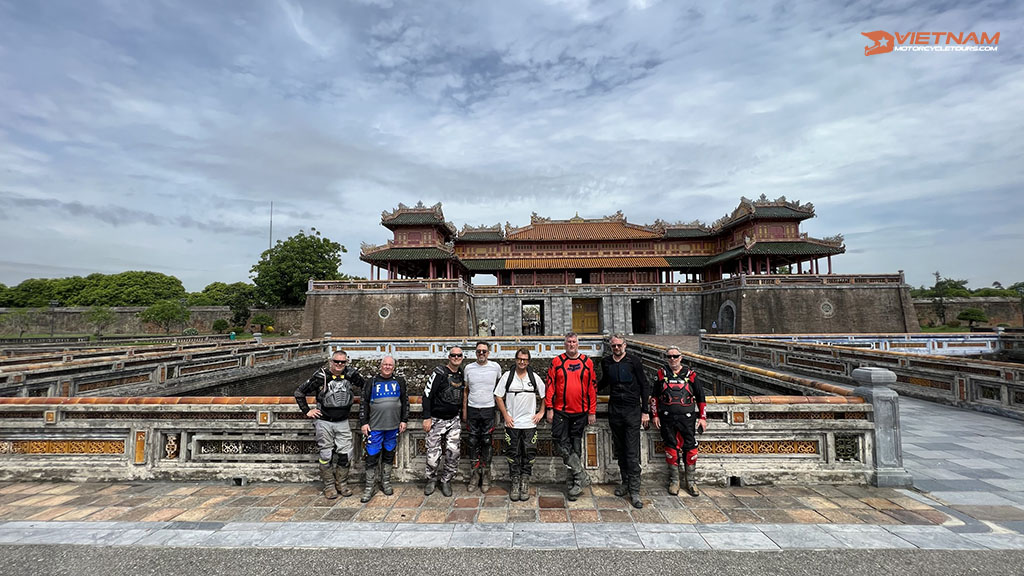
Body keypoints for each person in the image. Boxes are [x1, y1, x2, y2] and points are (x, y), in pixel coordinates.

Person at [294, 349, 364, 499]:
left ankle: (342, 484)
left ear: (347, 362)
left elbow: (367, 387)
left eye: (342, 362)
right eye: (336, 361)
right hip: (324, 421)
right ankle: (329, 486)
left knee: (346, 455)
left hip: (343, 422)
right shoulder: (321, 376)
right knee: (326, 455)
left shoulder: (351, 375)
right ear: (331, 361)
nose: (339, 364)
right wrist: (307, 411)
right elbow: (299, 392)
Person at [600, 334, 651, 509]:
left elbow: (644, 385)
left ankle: (635, 490)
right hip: (615, 409)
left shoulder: (634, 361)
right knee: (620, 449)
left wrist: (645, 411)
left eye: (619, 345)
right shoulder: (606, 362)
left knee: (631, 451)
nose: (616, 348)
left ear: (625, 345)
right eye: (613, 346)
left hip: (632, 410)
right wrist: (588, 390)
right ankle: (625, 482)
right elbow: (604, 382)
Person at [545, 332, 597, 501]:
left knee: (576, 447)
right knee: (560, 443)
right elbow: (550, 386)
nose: (571, 344)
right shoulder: (557, 362)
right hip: (561, 411)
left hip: (580, 412)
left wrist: (592, 411)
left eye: (574, 342)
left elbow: (592, 388)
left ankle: (573, 482)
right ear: (564, 344)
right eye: (568, 342)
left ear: (578, 344)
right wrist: (549, 408)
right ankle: (581, 475)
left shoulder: (586, 362)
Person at [651, 346, 707, 497]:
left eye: (675, 356)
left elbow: (701, 398)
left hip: (687, 419)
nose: (672, 359)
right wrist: (655, 415)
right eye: (669, 356)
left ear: (681, 357)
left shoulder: (691, 375)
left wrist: (703, 418)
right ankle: (674, 481)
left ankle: (691, 482)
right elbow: (654, 397)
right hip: (667, 418)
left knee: (690, 449)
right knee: (670, 448)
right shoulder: (661, 374)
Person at [494, 347, 545, 501]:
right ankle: (515, 480)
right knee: (512, 453)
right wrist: (505, 415)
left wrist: (541, 412)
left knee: (529, 453)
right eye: (519, 359)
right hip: (512, 423)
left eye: (525, 359)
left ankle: (525, 480)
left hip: (530, 424)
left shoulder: (534, 377)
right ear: (515, 360)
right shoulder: (507, 376)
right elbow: (498, 396)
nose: (522, 362)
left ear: (528, 361)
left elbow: (545, 395)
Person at [358, 356, 409, 503]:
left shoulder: (399, 381)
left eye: (390, 365)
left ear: (394, 367)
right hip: (375, 427)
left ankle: (386, 482)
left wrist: (404, 420)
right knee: (372, 456)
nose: (387, 367)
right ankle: (369, 486)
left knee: (388, 454)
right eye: (385, 364)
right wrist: (363, 422)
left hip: (393, 427)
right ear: (380, 366)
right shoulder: (371, 382)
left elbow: (405, 402)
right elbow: (364, 403)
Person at [422, 346, 465, 497]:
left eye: (459, 355)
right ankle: (431, 479)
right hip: (436, 419)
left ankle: (446, 480)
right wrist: (427, 417)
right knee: (433, 455)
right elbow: (427, 394)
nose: (456, 358)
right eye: (453, 355)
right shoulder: (439, 372)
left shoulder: (461, 373)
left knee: (453, 453)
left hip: (454, 420)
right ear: (449, 357)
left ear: (462, 357)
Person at [462, 341, 502, 492]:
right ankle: (475, 474)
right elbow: (466, 390)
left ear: (488, 353)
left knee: (486, 440)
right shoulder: (469, 368)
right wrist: (464, 410)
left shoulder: (495, 367)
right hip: (473, 408)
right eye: (479, 351)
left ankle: (486, 474)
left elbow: (499, 389)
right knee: (472, 441)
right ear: (475, 352)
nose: (481, 354)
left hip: (488, 408)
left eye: (484, 351)